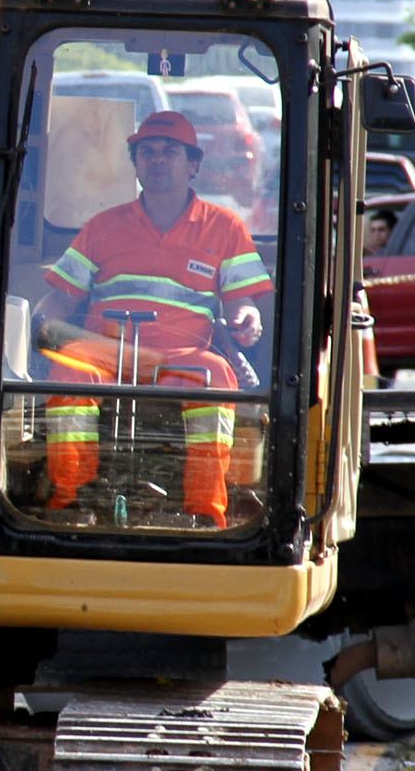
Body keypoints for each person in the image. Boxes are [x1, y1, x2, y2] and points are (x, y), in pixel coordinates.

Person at [38, 109, 272, 526]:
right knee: (68, 371)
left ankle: (204, 511)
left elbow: (242, 303)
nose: (158, 160)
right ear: (136, 164)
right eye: (148, 152)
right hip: (104, 353)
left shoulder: (225, 228)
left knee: (215, 377)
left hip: (181, 356)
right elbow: (57, 302)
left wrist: (247, 318)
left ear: (193, 165)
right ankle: (71, 502)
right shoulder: (102, 226)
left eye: (170, 152)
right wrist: (38, 328)